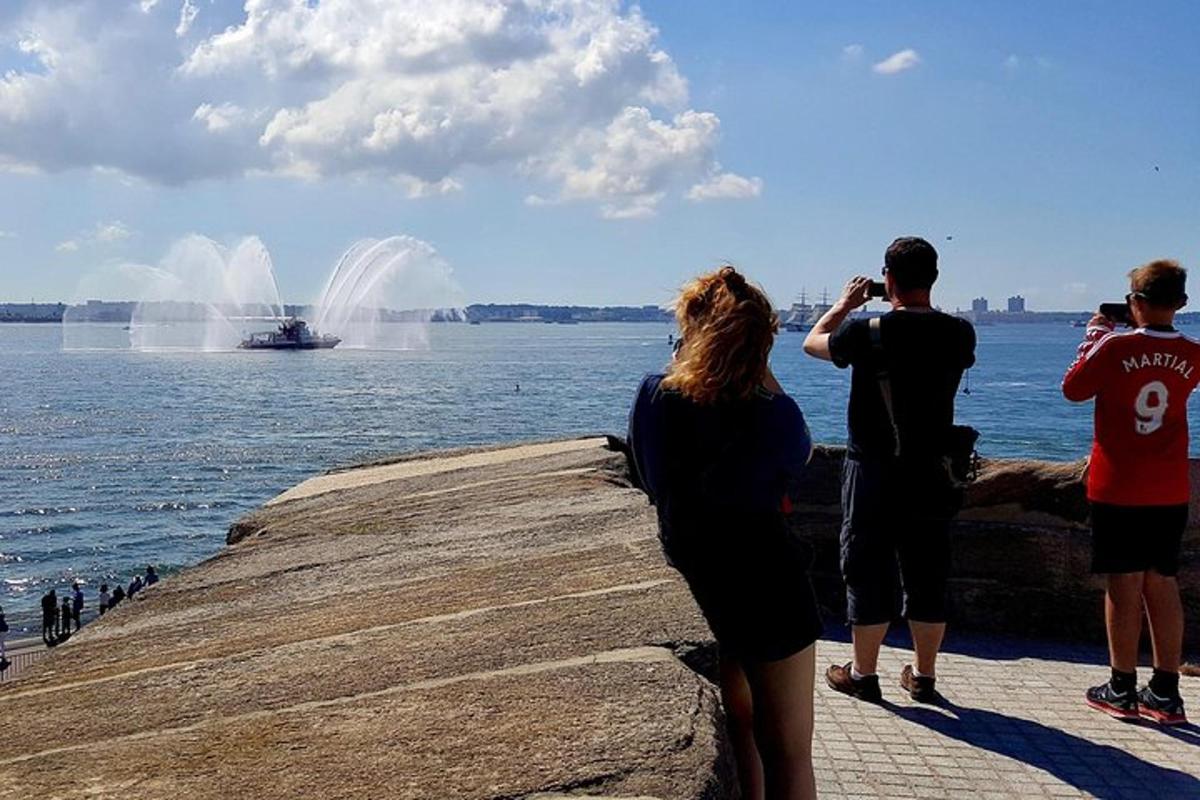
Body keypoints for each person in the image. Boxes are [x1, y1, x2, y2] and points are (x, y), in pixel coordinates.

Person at [629, 265, 821, 800]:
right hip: (770, 585)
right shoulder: (773, 414)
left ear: (691, 329)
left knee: (736, 730)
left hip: (697, 581)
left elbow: (649, 477)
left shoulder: (655, 397)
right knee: (788, 752)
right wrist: (759, 370)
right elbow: (800, 456)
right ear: (761, 340)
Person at [803, 236, 975, 703]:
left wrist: (843, 304)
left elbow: (812, 343)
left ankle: (863, 673)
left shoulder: (867, 330)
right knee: (928, 569)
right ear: (934, 278)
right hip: (933, 470)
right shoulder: (959, 334)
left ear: (888, 279)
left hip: (873, 468)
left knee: (866, 567)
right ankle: (924, 675)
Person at [1063, 259, 1198, 726]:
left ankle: (1120, 686)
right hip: (1169, 486)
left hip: (1119, 485)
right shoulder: (1194, 354)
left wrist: (1093, 336)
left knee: (1122, 584)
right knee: (1162, 581)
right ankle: (1165, 690)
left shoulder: (1115, 346)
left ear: (1134, 303)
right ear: (1181, 303)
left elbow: (1074, 388)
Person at [0, 604, 9, 670]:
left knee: (1, 643)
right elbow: (3, 613)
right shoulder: (1, 616)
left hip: (1, 629)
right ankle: (3, 656)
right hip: (3, 629)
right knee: (2, 643)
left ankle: (2, 656)